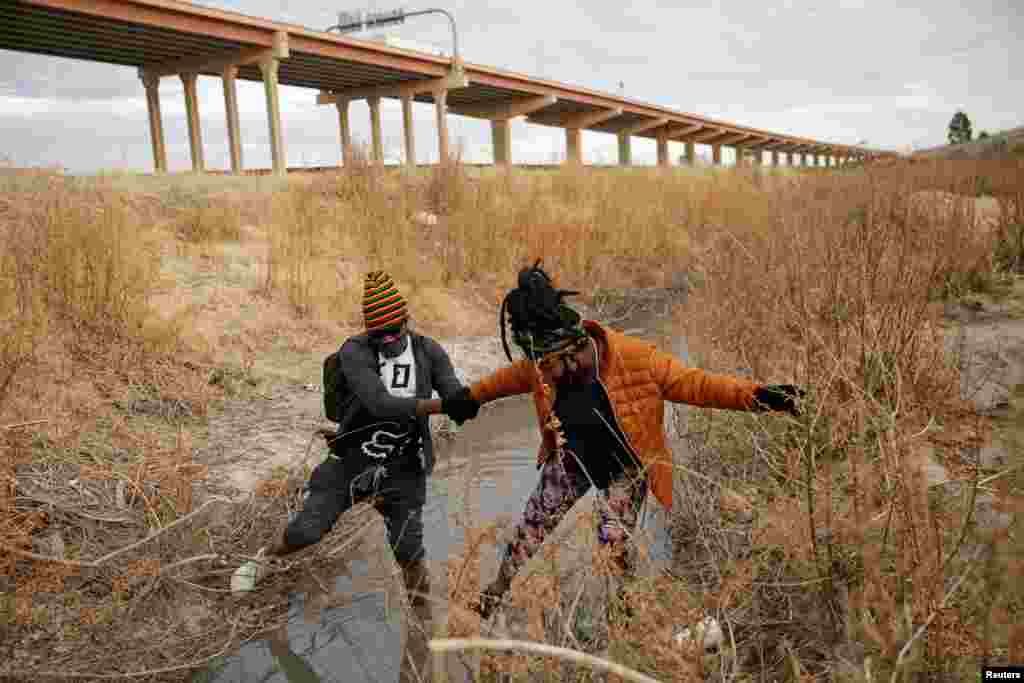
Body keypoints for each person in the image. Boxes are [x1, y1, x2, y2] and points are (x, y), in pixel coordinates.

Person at [438, 260, 802, 644]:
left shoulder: (637, 360)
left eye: (548, 366)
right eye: (539, 365)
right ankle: (493, 595)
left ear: (574, 349)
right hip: (573, 457)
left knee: (612, 545)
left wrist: (761, 397)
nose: (543, 374)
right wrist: (470, 397)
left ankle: (626, 623)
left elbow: (699, 385)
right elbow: (508, 378)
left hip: (625, 467)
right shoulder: (544, 364)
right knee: (530, 528)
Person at [232, 270, 479, 683]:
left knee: (410, 552)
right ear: (369, 332)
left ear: (407, 320)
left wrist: (463, 402)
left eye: (395, 331)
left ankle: (420, 626)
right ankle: (263, 559)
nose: (389, 340)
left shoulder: (429, 351)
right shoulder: (354, 352)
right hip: (353, 461)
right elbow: (380, 404)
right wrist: (440, 407)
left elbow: (452, 388)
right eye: (379, 335)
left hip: (404, 468)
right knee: (308, 530)